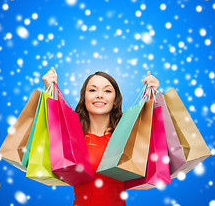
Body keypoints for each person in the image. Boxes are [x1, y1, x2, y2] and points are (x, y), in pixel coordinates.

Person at [42, 67, 159, 206]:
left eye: (107, 91)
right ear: (84, 98)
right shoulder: (73, 137)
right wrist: (50, 89)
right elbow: (51, 130)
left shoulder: (127, 137)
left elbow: (156, 151)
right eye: (92, 90)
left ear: (115, 100)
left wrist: (153, 100)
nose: (99, 95)